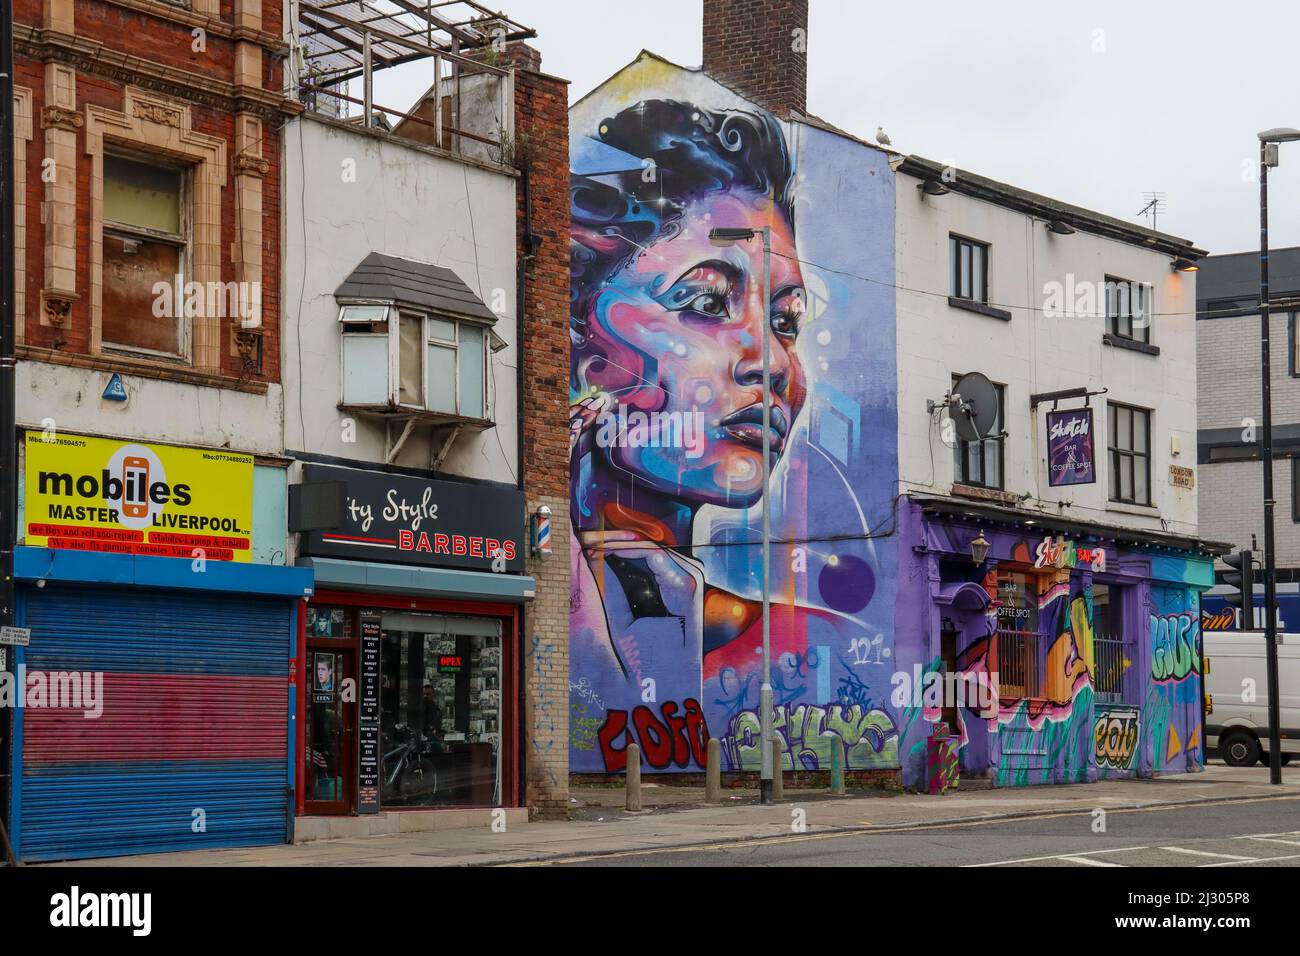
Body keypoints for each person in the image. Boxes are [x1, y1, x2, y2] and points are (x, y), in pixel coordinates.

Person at [569, 99, 860, 723]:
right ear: (580, 346)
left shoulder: (802, 643)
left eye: (787, 322)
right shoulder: (557, 591)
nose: (774, 363)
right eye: (705, 300)